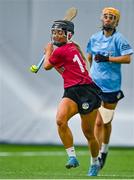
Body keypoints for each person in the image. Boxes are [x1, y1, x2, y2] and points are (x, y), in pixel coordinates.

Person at [43, 20, 102, 176]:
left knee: (89, 134)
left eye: (59, 32)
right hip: (71, 91)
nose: (56, 35)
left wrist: (48, 51)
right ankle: (72, 157)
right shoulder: (70, 47)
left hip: (87, 92)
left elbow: (47, 66)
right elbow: (64, 72)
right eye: (54, 32)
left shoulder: (62, 51)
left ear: (68, 35)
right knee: (60, 120)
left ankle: (95, 162)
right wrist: (51, 55)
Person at [86, 7, 133, 169]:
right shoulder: (94, 38)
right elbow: (90, 56)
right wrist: (89, 73)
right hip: (94, 86)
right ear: (101, 19)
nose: (108, 19)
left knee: (106, 122)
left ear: (116, 21)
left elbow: (127, 59)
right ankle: (97, 156)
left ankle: (104, 149)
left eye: (112, 17)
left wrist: (108, 58)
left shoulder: (119, 39)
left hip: (111, 87)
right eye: (106, 16)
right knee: (97, 123)